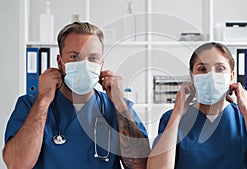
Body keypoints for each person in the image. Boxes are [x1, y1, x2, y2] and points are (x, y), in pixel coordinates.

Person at [3, 22, 150, 169]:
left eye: (93, 58)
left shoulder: (117, 108)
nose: (84, 66)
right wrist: (43, 100)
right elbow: (17, 164)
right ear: (60, 63)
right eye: (74, 57)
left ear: (101, 64)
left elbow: (140, 166)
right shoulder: (30, 106)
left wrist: (120, 103)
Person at [147, 42, 247, 169]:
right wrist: (177, 114)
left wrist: (246, 112)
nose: (211, 76)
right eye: (202, 69)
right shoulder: (172, 118)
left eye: (220, 68)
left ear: (231, 76)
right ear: (192, 77)